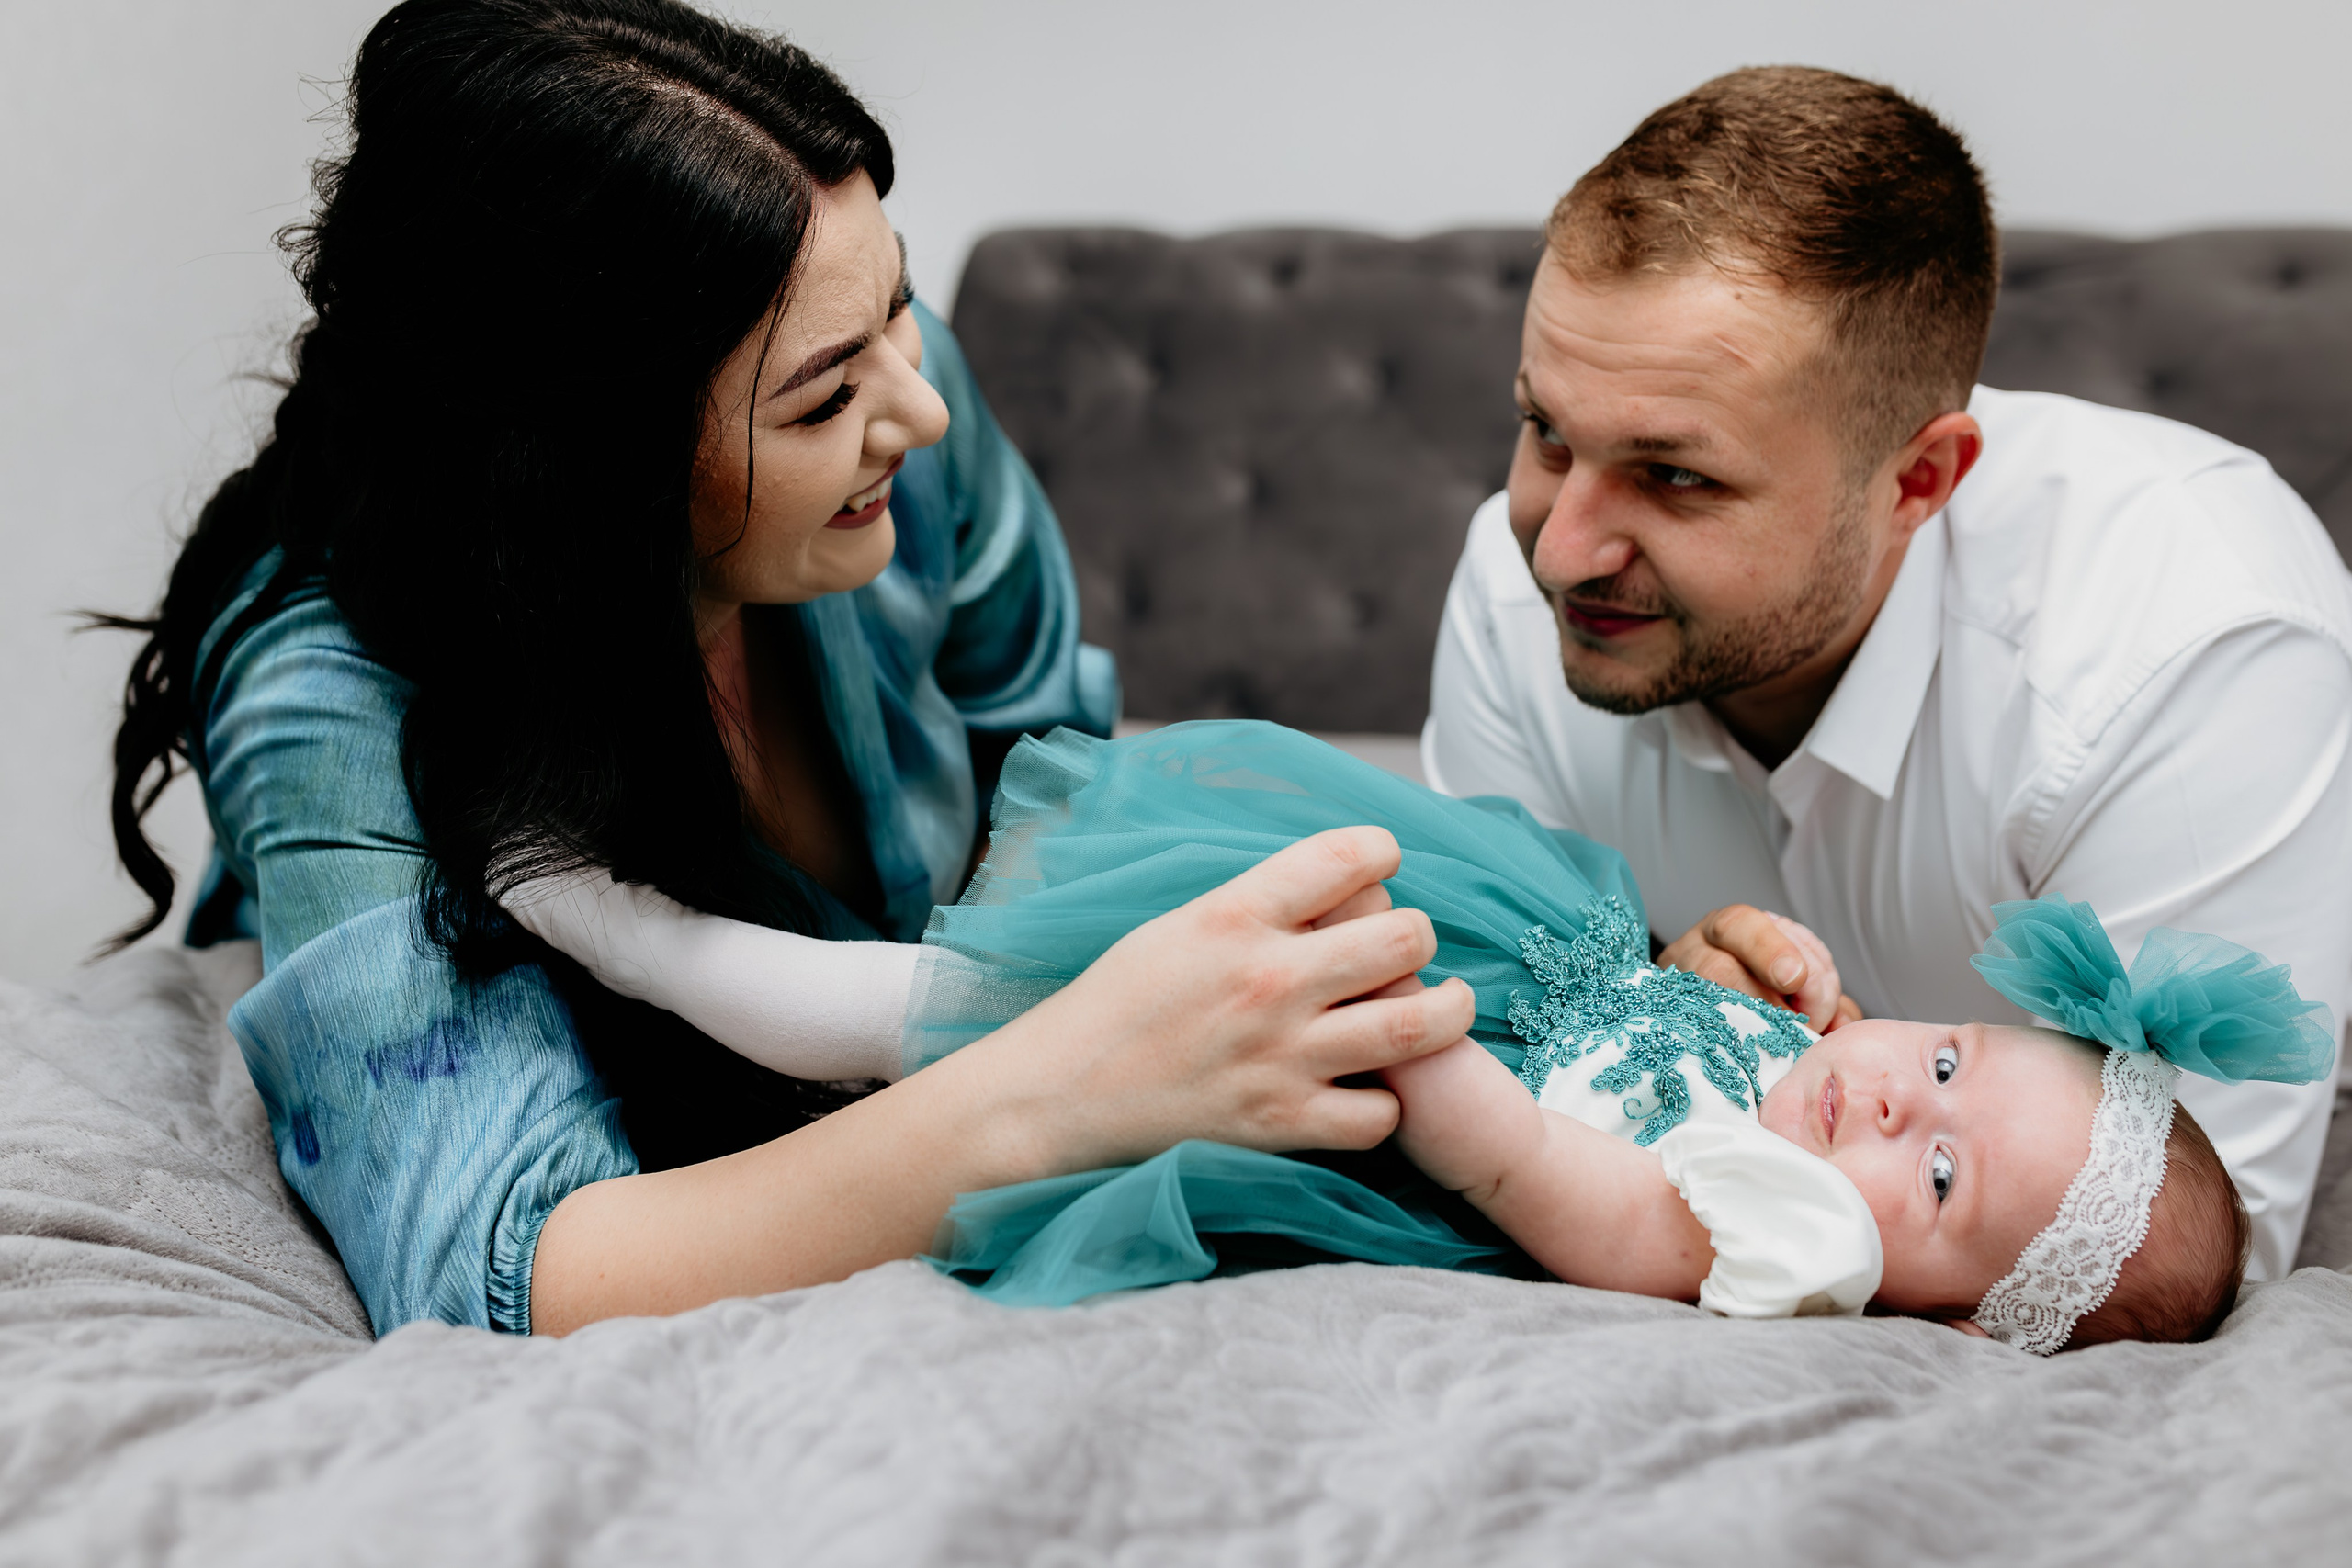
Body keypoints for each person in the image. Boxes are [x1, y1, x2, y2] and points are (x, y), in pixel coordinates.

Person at [96, 0, 1477, 1338]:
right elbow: (505, 1264)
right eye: (824, 396)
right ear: (590, 481)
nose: (922, 406)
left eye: (901, 304)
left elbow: (1051, 758)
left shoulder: (903, 436)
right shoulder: (333, 705)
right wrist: (1059, 1089)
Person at [520, 721, 2328, 1349]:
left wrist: (1417, 1036)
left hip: (1361, 1061)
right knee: (983, 971)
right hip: (1464, 943)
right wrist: (1715, 954)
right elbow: (1663, 1015)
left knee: (936, 1029)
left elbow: (1564, 1181)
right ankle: (683, 948)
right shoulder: (1810, 1063)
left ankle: (651, 947)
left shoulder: (1758, 1227)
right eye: (1944, 1062)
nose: (1887, 1100)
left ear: (1907, 1288)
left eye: (1931, 1178)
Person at [1420, 66, 2352, 1280]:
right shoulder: (1515, 591)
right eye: (1549, 432)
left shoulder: (2185, 651)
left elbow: (2166, 1268)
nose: (1557, 546)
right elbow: (1469, 1031)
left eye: (1678, 476)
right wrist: (1652, 1007)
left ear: (1919, 483)